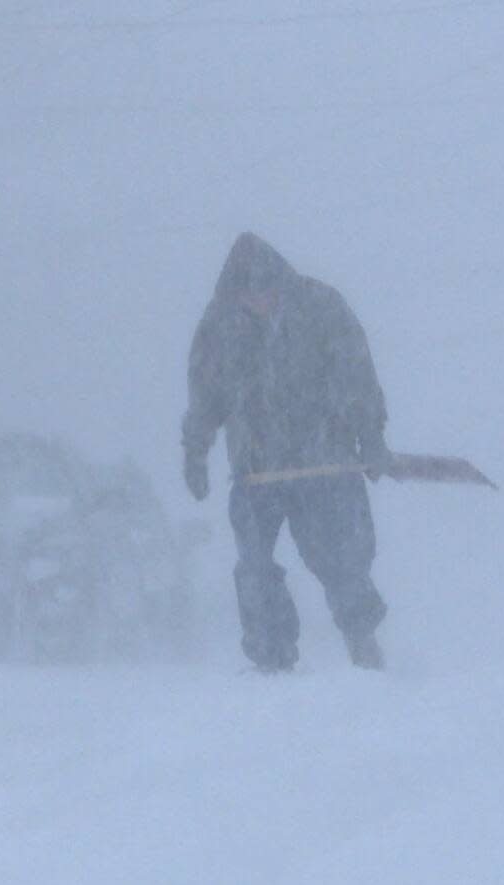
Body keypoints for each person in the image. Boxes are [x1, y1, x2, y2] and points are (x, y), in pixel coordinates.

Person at [182, 233, 394, 671]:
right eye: (249, 293)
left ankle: (362, 643)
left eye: (266, 290)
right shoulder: (220, 325)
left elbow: (356, 375)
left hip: (325, 462)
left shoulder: (320, 307)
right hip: (256, 470)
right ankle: (271, 659)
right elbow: (206, 394)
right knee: (254, 567)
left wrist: (370, 437)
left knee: (343, 559)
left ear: (280, 282)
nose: (259, 300)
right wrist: (196, 451)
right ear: (235, 293)